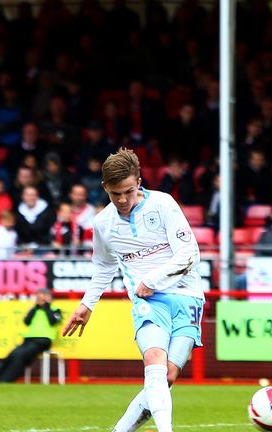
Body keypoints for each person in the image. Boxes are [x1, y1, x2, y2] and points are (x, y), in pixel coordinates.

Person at [63, 148, 205, 432]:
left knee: (167, 377)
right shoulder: (103, 224)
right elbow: (103, 267)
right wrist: (86, 304)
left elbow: (189, 252)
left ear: (139, 181)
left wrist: (152, 279)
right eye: (116, 194)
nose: (123, 200)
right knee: (155, 361)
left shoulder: (163, 204)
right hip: (148, 302)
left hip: (188, 296)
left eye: (128, 191)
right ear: (105, 188)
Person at [0, 288, 62, 382]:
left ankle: (4, 380)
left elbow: (53, 321)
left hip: (43, 341)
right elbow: (27, 321)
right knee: (11, 355)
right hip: (28, 340)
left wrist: (46, 307)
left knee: (20, 355)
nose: (39, 300)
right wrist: (35, 308)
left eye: (42, 297)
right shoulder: (34, 309)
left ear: (48, 297)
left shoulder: (55, 309)